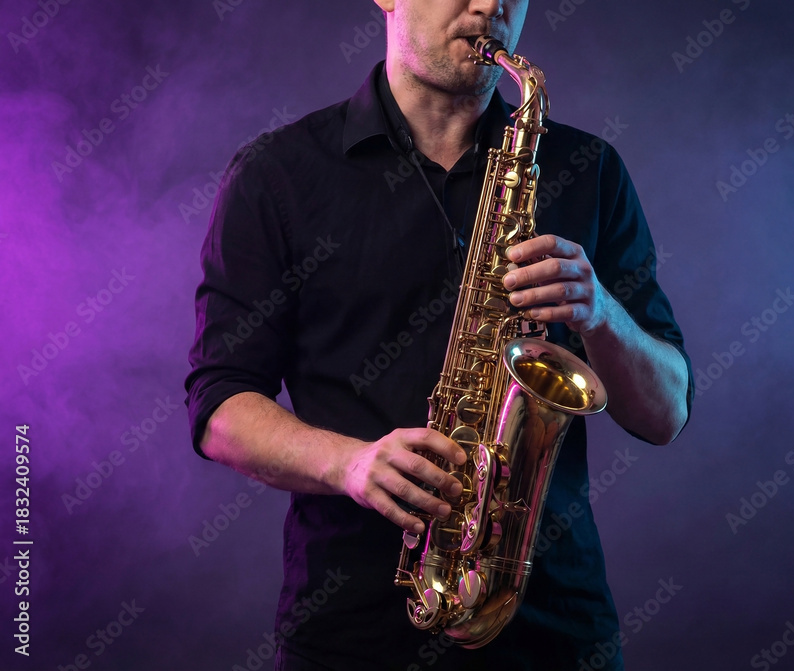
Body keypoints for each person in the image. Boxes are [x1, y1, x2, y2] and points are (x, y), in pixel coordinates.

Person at [184, 1, 692, 669]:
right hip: (353, 630)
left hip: (554, 629)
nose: (490, 5)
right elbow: (218, 406)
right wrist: (349, 464)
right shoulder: (277, 176)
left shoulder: (588, 168)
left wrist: (598, 309)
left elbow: (666, 414)